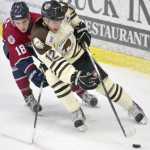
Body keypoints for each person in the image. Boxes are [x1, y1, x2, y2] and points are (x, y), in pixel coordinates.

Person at [31, 0, 148, 129]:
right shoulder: (39, 37)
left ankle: (131, 106)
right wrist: (75, 77)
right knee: (54, 80)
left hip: (78, 55)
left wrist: (81, 27)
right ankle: (75, 111)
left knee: (104, 84)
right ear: (45, 19)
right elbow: (56, 63)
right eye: (53, 21)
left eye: (59, 20)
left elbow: (73, 17)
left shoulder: (63, 9)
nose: (57, 24)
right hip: (57, 64)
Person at [2, 1, 98, 116]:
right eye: (18, 23)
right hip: (15, 48)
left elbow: (53, 47)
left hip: (36, 44)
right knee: (17, 67)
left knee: (58, 67)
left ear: (29, 17)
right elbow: (20, 56)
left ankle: (80, 91)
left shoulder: (38, 22)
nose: (22, 26)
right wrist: (33, 73)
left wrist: (47, 63)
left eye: (24, 21)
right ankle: (27, 95)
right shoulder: (9, 30)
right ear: (13, 22)